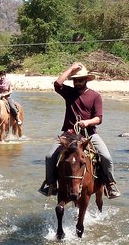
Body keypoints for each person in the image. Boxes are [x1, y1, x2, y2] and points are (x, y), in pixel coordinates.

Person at [38, 62, 121, 198]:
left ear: (86, 80)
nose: (77, 83)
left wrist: (87, 122)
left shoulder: (95, 96)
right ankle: (50, 184)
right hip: (69, 134)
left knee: (106, 157)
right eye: (75, 80)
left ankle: (110, 184)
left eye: (80, 80)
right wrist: (70, 70)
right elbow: (57, 84)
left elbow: (99, 119)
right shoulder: (69, 93)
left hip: (89, 134)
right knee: (49, 156)